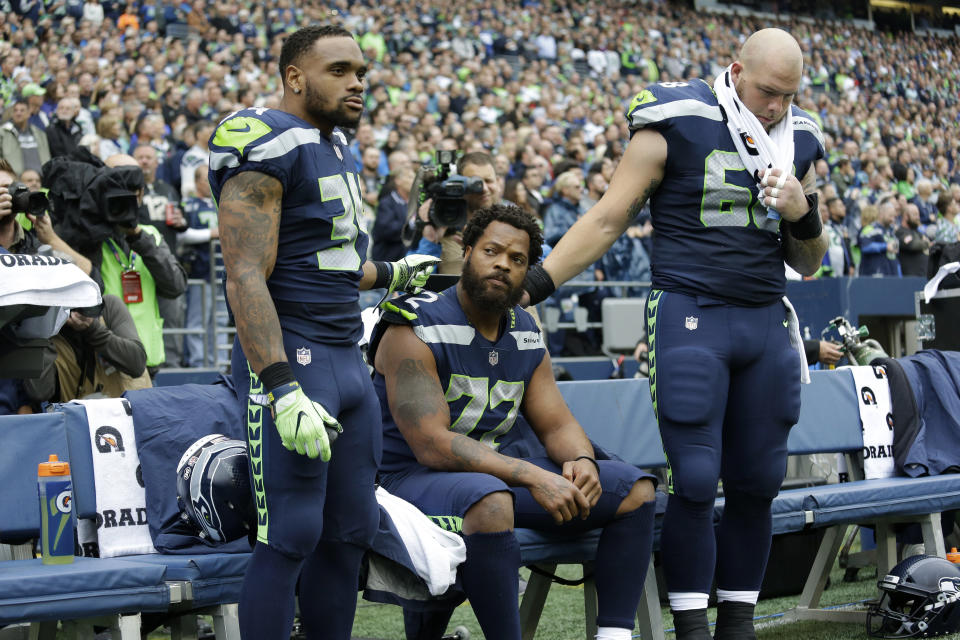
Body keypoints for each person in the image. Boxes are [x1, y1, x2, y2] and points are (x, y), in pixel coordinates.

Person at [522, 29, 828, 639]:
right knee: (692, 478)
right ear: (736, 70)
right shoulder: (679, 114)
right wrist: (535, 284)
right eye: (767, 92)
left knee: (760, 479)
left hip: (766, 318)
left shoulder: (800, 133)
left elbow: (811, 259)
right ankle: (690, 624)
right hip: (693, 312)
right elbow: (610, 216)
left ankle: (736, 623)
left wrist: (804, 211)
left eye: (788, 96)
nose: (776, 107)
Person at [207, 25, 437, 640]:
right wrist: (280, 384)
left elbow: (329, 261)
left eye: (361, 70)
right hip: (296, 358)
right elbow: (245, 275)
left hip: (347, 359)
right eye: (338, 69)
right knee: (291, 534)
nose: (357, 81)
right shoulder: (263, 141)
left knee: (349, 534)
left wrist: (391, 271)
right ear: (294, 76)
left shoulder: (333, 145)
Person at [371, 204, 656, 640]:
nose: (503, 263)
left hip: (491, 477)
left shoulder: (523, 328)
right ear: (466, 252)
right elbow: (430, 444)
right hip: (406, 481)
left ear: (528, 272)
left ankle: (614, 635)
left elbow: (556, 423)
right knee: (492, 501)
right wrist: (533, 476)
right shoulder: (415, 324)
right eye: (491, 251)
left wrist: (582, 460)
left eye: (517, 259)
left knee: (634, 490)